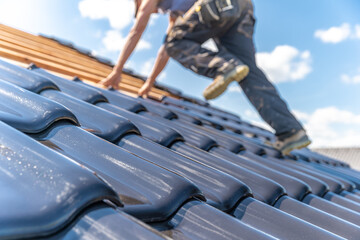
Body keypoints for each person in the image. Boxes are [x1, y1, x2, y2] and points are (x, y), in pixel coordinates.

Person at [100, 0, 311, 155]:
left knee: (175, 42)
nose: (155, 12)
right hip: (241, 8)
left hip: (216, 4)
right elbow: (166, 50)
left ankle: (224, 67)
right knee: (247, 71)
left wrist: (117, 71)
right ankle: (290, 131)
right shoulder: (176, 12)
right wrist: (149, 83)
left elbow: (139, 31)